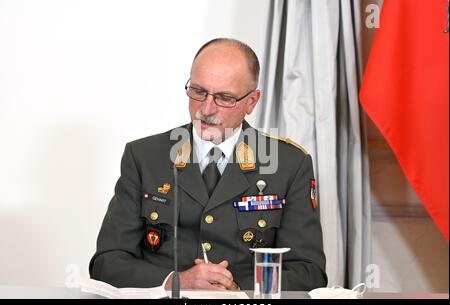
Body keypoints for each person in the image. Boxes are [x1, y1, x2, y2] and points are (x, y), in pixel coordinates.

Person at [89, 38, 327, 291]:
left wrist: (234, 289)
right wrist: (176, 282)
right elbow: (106, 263)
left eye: (224, 98)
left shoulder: (289, 164)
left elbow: (309, 271)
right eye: (199, 92)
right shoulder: (144, 157)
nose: (207, 108)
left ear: (252, 102)